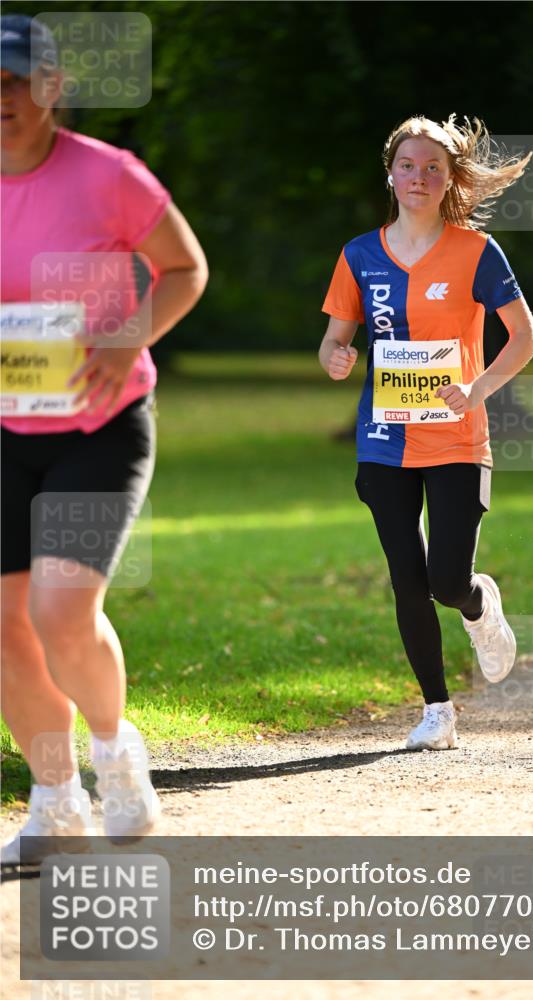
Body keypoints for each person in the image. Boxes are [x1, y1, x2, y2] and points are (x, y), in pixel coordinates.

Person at [0, 15, 208, 863]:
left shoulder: (107, 174)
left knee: (60, 610)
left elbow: (185, 268)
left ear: (52, 87)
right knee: (4, 625)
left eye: (16, 81)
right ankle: (56, 803)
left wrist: (128, 338)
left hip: (100, 425)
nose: (2, 99)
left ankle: (116, 754)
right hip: (3, 427)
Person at [319, 115, 533, 751]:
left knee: (445, 581)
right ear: (390, 175)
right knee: (407, 579)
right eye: (408, 166)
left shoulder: (477, 252)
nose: (419, 177)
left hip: (457, 437)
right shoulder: (359, 254)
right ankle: (437, 711)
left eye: (432, 168)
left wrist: (478, 389)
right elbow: (334, 341)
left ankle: (478, 606)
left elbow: (525, 337)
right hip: (383, 439)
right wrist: (335, 358)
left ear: (449, 179)